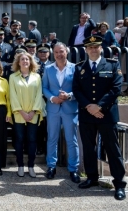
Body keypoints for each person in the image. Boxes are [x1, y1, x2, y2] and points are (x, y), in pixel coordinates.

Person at [72, 35, 126, 201]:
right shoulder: (80, 67)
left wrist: (99, 106)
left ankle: (119, 184)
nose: (93, 49)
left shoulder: (112, 64)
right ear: (86, 50)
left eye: (96, 47)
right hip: (87, 115)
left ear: (101, 48)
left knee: (112, 149)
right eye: (90, 47)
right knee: (88, 148)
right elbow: (76, 90)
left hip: (106, 114)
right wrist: (90, 107)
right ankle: (91, 177)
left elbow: (116, 88)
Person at [42, 42, 80, 183]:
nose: (59, 54)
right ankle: (51, 167)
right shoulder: (48, 68)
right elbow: (44, 87)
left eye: (61, 51)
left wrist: (69, 95)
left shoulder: (75, 68)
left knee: (72, 140)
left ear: (67, 52)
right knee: (52, 138)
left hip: (70, 109)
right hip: (53, 109)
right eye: (56, 52)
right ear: (53, 53)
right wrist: (52, 98)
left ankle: (73, 169)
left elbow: (79, 88)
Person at [9, 52, 43, 178]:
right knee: (19, 140)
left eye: (27, 59)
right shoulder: (13, 77)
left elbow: (38, 95)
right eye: (22, 59)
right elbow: (13, 96)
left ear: (30, 62)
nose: (25, 61)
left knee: (32, 140)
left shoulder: (37, 77)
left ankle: (31, 166)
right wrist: (22, 112)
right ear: (18, 62)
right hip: (19, 115)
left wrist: (33, 111)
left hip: (33, 114)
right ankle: (20, 166)